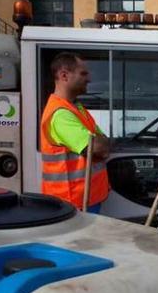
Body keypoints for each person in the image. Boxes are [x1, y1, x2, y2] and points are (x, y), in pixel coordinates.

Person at [40, 52, 110, 212]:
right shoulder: (60, 114)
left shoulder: (76, 108)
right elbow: (99, 147)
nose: (89, 79)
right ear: (64, 75)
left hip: (86, 198)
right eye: (83, 73)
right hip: (72, 202)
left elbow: (103, 143)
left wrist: (102, 143)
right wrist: (102, 143)